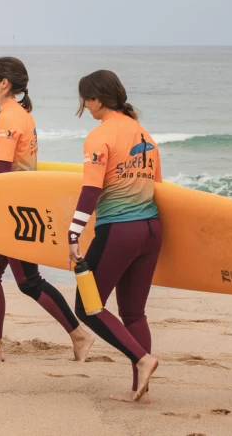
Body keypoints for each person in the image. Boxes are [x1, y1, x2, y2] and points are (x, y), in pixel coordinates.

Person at [0, 57, 94, 362]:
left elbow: (3, 171)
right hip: (17, 206)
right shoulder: (19, 114)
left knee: (29, 282)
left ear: (4, 83)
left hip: (12, 210)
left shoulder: (9, 118)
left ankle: (79, 336)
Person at [68, 70, 161, 403]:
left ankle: (142, 359)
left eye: (86, 100)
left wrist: (73, 233)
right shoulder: (144, 134)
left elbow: (91, 189)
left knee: (87, 306)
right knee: (134, 313)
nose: (85, 107)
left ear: (97, 99)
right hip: (151, 232)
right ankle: (141, 389)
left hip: (119, 231)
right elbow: (158, 188)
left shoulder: (99, 136)